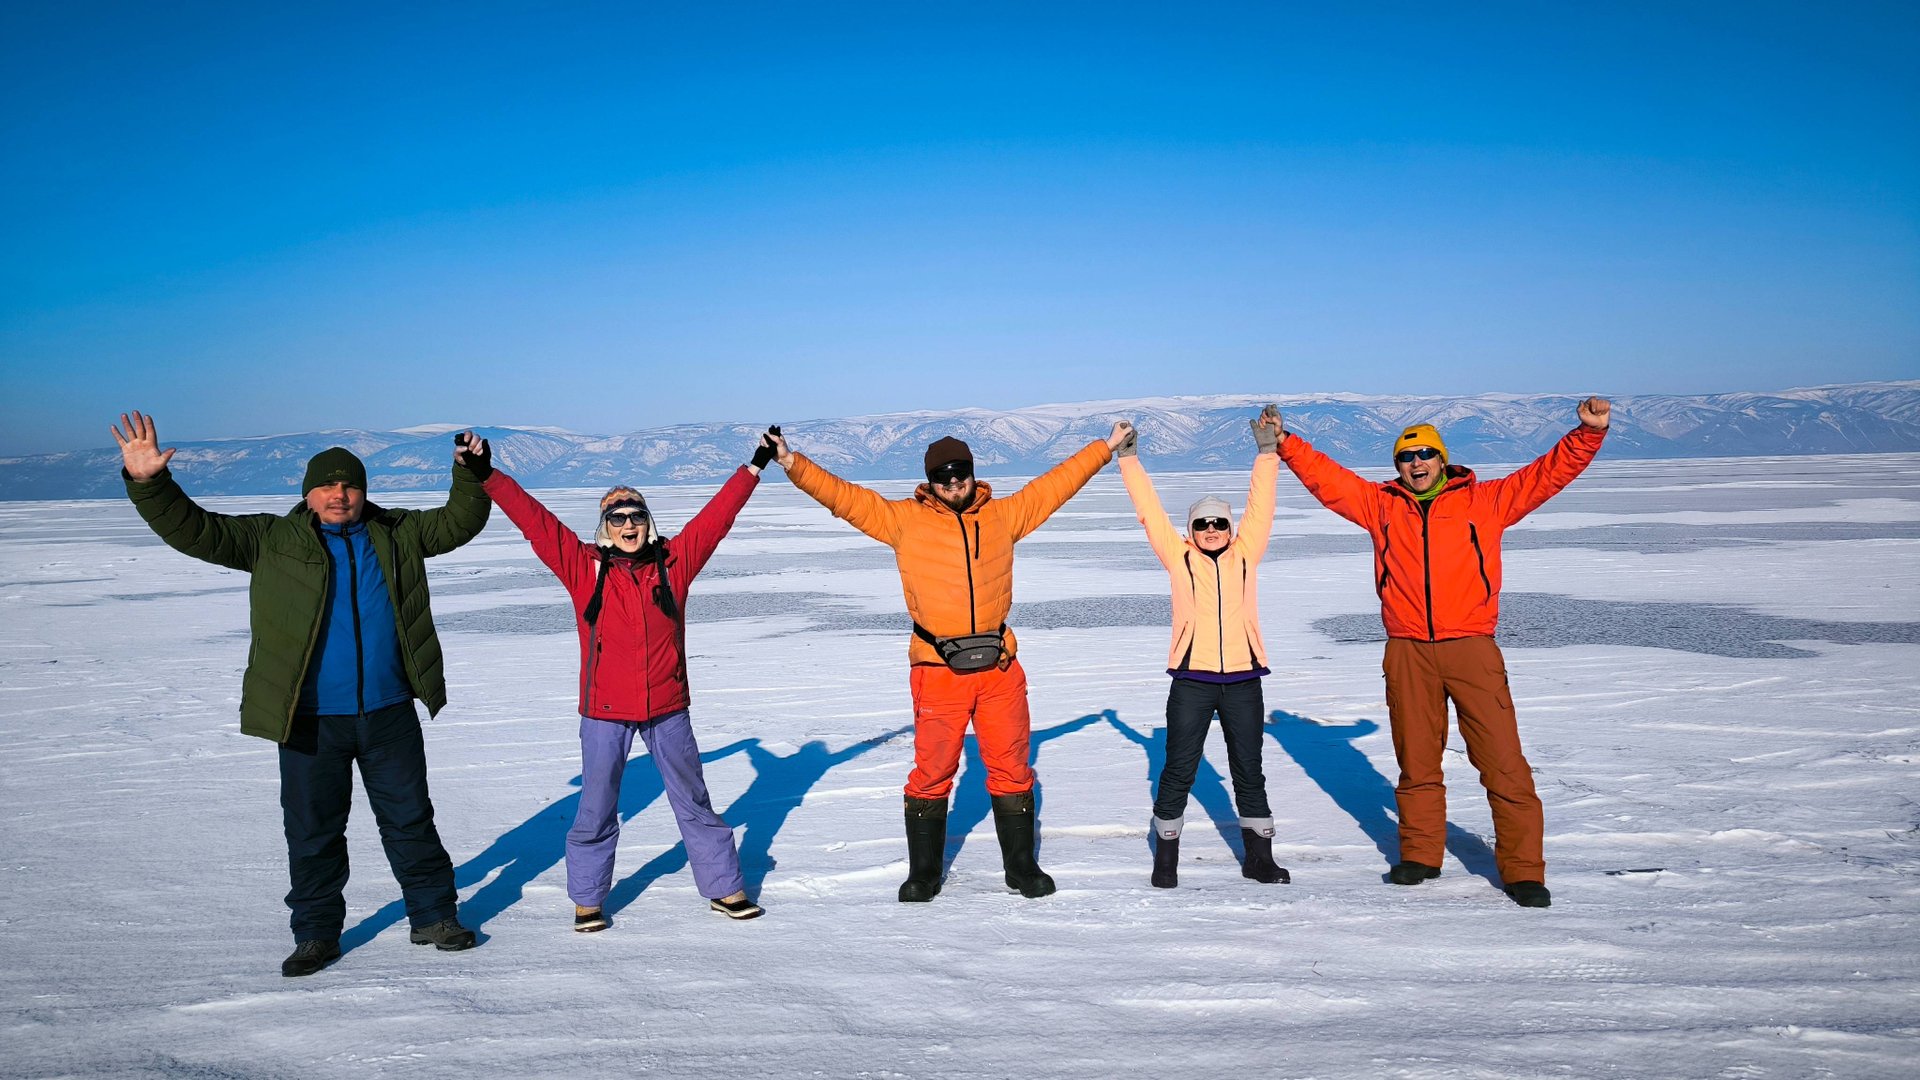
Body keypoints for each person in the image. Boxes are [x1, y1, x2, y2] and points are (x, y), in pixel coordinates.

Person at [112, 411, 491, 976]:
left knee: (411, 819)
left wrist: (470, 474)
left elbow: (459, 522)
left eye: (350, 484)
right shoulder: (270, 539)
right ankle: (315, 934)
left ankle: (434, 916)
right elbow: (194, 530)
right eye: (327, 485)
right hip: (309, 719)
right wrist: (150, 483)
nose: (339, 494)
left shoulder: (397, 534)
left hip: (388, 712)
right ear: (308, 493)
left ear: (363, 490)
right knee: (313, 830)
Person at [1275, 398, 1612, 908]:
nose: (1416, 465)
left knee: (1502, 763)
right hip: (1408, 649)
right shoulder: (1380, 506)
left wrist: (1588, 433)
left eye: (1425, 455)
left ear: (1442, 459)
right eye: (1406, 459)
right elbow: (1331, 481)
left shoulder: (1487, 502)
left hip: (1471, 647)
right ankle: (1420, 854)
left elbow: (1548, 474)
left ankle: (1523, 870)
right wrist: (1285, 444)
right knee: (1417, 762)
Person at [769, 424, 1127, 900]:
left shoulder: (1004, 516)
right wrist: (793, 462)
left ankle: (1021, 867)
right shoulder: (904, 521)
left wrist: (1103, 448)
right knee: (933, 770)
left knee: (1012, 767)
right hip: (938, 671)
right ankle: (924, 874)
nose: (954, 485)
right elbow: (844, 497)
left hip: (999, 667)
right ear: (929, 482)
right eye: (943, 478)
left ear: (973, 475)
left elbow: (1055, 484)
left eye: (960, 475)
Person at [478, 428, 778, 929]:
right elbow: (535, 522)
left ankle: (725, 888)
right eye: (617, 517)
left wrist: (755, 465)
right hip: (604, 712)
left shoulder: (673, 564)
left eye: (637, 515)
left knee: (694, 800)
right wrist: (487, 474)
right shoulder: (584, 569)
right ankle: (588, 899)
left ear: (648, 521)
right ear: (604, 526)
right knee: (596, 806)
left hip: (667, 707)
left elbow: (716, 520)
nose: (629, 524)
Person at [1115, 406, 1289, 889]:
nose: (1211, 530)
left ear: (1230, 529)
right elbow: (1149, 512)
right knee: (1178, 768)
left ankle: (1260, 859)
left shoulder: (1246, 554)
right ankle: (1165, 861)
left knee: (1248, 771)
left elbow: (1262, 506)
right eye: (1201, 524)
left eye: (1218, 523)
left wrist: (1268, 453)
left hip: (1243, 681)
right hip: (1191, 680)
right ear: (1190, 531)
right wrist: (1129, 460)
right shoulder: (1180, 560)